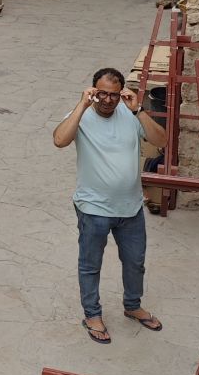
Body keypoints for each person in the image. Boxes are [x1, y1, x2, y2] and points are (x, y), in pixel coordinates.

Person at [52, 67, 168, 343]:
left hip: (131, 207)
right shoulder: (81, 116)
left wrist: (139, 110)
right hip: (93, 209)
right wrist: (81, 105)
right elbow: (59, 140)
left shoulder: (131, 115)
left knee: (135, 262)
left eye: (113, 95)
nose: (107, 100)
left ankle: (133, 305)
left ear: (121, 94)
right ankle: (92, 314)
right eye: (102, 93)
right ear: (93, 91)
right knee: (90, 265)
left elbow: (161, 140)